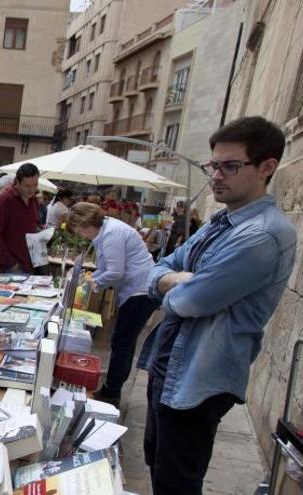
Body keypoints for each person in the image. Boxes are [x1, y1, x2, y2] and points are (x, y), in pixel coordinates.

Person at [138, 116, 296, 494]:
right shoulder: (219, 222)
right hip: (171, 364)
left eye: (230, 166)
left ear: (267, 168)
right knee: (157, 463)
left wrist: (176, 284)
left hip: (198, 377)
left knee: (176, 479)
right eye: (214, 165)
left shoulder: (263, 235)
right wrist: (176, 278)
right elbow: (156, 271)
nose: (217, 176)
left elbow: (191, 301)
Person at [67, 202, 159, 406]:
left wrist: (93, 283)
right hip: (138, 289)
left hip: (140, 291)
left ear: (86, 223)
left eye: (81, 230)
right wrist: (91, 277)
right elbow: (109, 267)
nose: (82, 235)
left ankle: (112, 391)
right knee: (123, 341)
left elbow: (116, 271)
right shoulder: (109, 229)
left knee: (122, 342)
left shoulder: (111, 234)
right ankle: (113, 385)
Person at [0, 163, 41, 274]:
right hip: (10, 267)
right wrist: (10, 263)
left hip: (29, 264)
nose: (32, 189)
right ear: (17, 182)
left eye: (35, 184)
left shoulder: (33, 200)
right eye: (27, 185)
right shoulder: (5, 200)